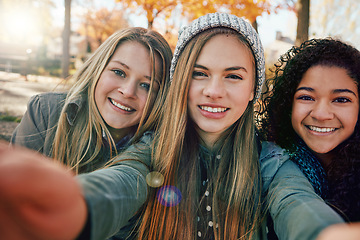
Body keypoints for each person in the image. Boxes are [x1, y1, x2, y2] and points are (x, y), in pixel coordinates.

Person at [0, 14, 345, 240]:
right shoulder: (152, 147)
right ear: (181, 82)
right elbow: (122, 181)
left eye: (233, 76)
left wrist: (323, 232)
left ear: (254, 88)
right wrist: (75, 206)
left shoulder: (272, 163)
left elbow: (294, 201)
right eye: (199, 73)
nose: (214, 90)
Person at [10, 27, 172, 174]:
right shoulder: (45, 113)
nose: (128, 92)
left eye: (146, 85)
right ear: (97, 69)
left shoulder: (162, 148)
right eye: (119, 72)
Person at [258, 38, 360, 236]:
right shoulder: (272, 162)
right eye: (306, 97)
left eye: (341, 99)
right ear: (288, 105)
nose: (321, 114)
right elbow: (292, 200)